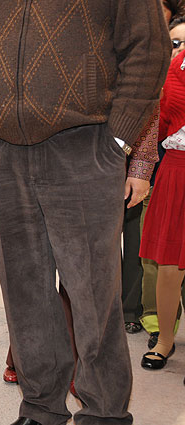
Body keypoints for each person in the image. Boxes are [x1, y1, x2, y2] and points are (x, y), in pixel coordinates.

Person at [0, 2, 170, 424]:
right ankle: (41, 408)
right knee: (25, 297)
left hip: (85, 147)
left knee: (93, 296)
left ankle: (105, 413)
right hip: (0, 154)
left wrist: (117, 141)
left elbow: (147, 50)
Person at [140, 15, 185, 349]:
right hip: (176, 169)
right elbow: (159, 121)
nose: (179, 49)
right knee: (167, 264)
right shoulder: (169, 74)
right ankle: (165, 340)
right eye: (175, 43)